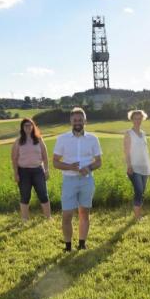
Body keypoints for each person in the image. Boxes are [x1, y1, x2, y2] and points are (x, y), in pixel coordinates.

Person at [53, 108, 102, 251]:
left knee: (84, 213)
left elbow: (99, 161)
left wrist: (89, 168)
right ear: (71, 121)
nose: (78, 122)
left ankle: (82, 244)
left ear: (85, 121)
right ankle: (68, 247)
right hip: (69, 181)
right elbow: (55, 162)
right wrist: (70, 167)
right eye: (75, 120)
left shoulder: (93, 139)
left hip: (87, 180)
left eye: (80, 120)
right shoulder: (62, 139)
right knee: (67, 214)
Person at [11, 118, 51, 221]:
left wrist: (46, 170)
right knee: (25, 195)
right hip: (23, 172)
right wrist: (16, 173)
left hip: (38, 171)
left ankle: (48, 217)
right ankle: (25, 218)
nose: (28, 127)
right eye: (25, 126)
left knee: (43, 194)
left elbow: (45, 156)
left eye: (30, 125)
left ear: (33, 126)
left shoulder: (39, 139)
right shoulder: (18, 141)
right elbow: (14, 159)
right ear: (22, 128)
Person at [123, 109, 150, 220]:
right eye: (135, 118)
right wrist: (129, 165)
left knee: (142, 192)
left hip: (144, 167)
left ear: (142, 119)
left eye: (139, 118)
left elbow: (145, 152)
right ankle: (137, 217)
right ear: (131, 119)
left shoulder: (143, 133)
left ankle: (138, 215)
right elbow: (126, 151)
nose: (137, 120)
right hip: (134, 167)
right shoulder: (129, 133)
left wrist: (149, 167)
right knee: (139, 190)